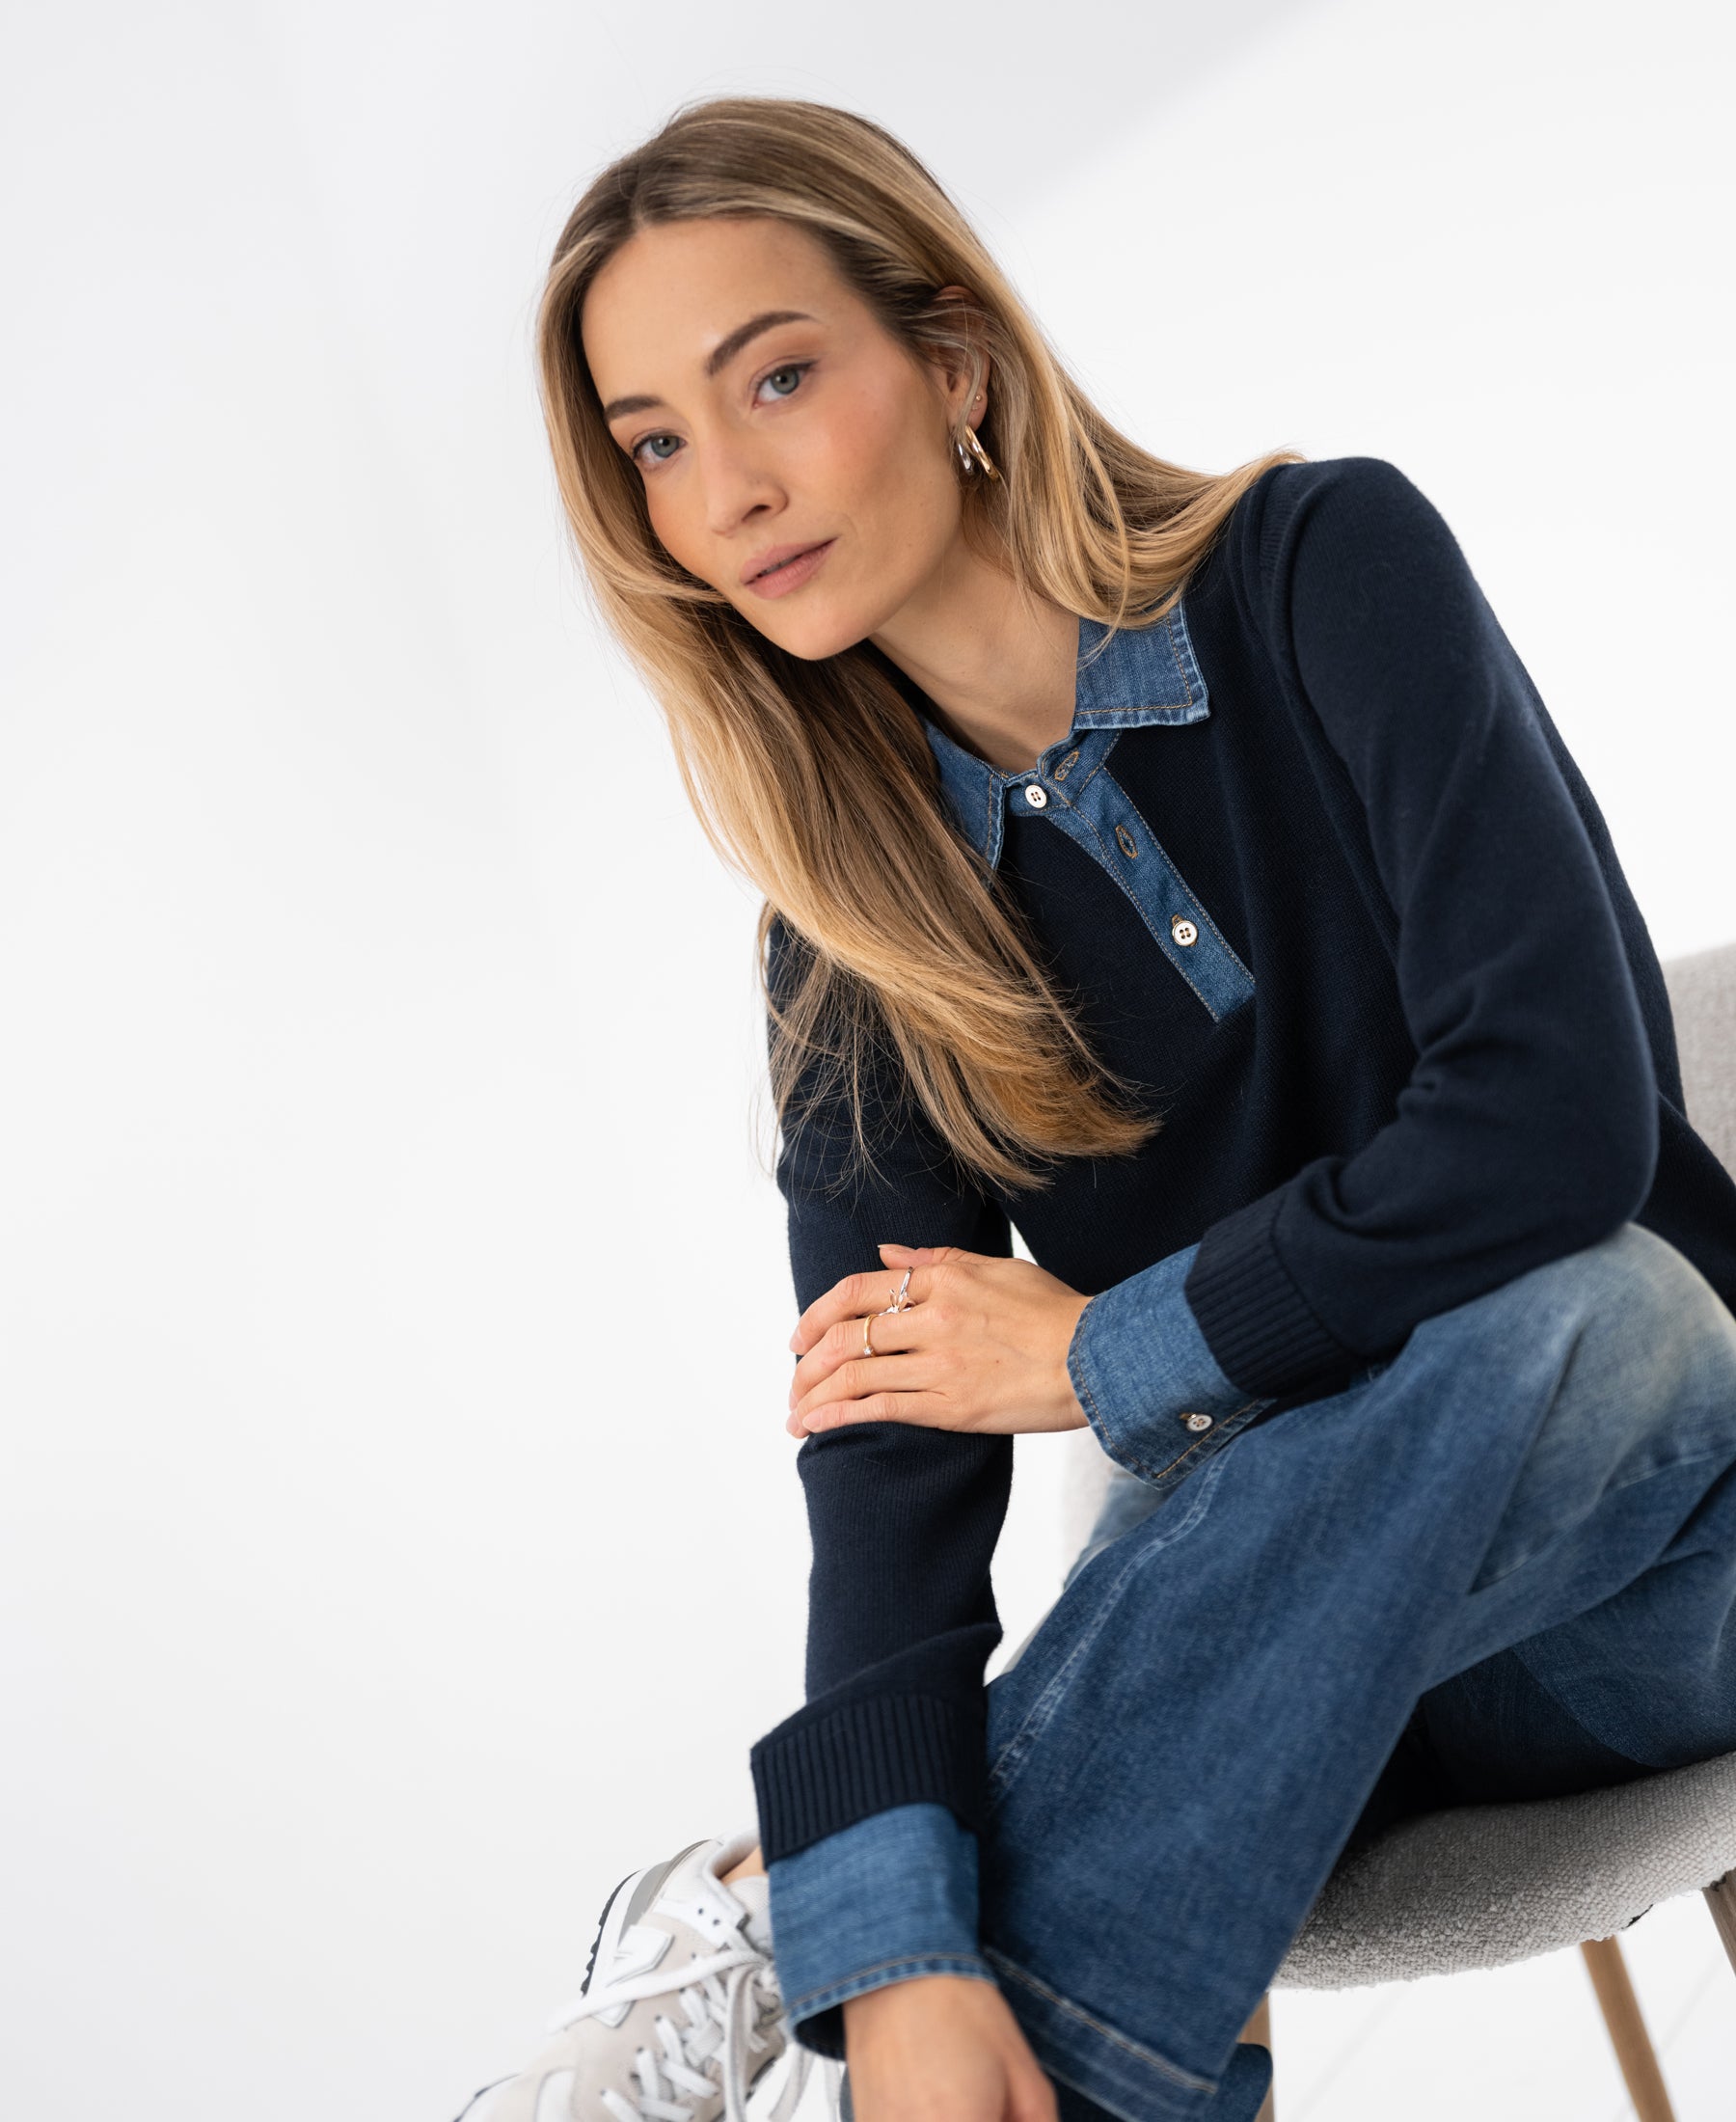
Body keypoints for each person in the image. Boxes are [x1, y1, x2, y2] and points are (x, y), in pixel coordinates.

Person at [455, 93, 1736, 2122]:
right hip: (1280, 1685)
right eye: (658, 445)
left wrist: (1100, 1353)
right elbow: (888, 1456)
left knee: (1603, 1304)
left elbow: (1560, 1124)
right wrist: (911, 1970)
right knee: (1092, 1842)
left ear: (955, 358)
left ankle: (800, 1906)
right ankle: (884, 1946)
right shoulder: (847, 935)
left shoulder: (1323, 570)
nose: (731, 489)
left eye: (776, 377)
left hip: (1657, 1568)